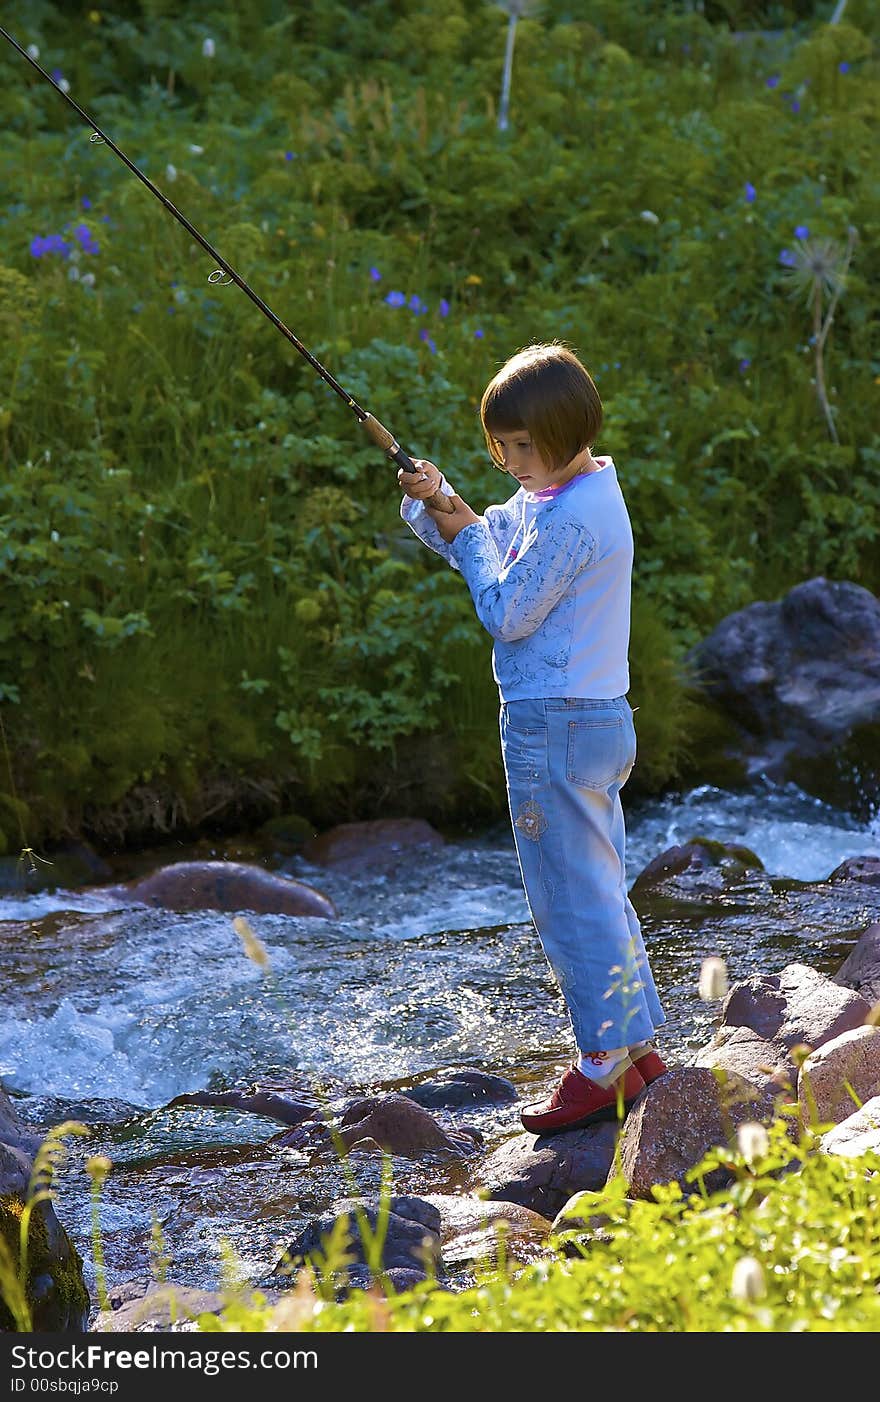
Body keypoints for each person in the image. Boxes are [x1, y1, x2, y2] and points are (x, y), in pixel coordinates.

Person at [397, 341, 667, 1134]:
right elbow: (488, 535)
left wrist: (470, 535)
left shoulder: (574, 517)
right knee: (600, 888)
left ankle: (600, 1061)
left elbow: (506, 608)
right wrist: (440, 498)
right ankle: (636, 1043)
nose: (511, 463)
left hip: (555, 725)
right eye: (499, 449)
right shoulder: (569, 495)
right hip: (594, 720)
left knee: (565, 897)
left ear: (567, 433)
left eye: (522, 448)